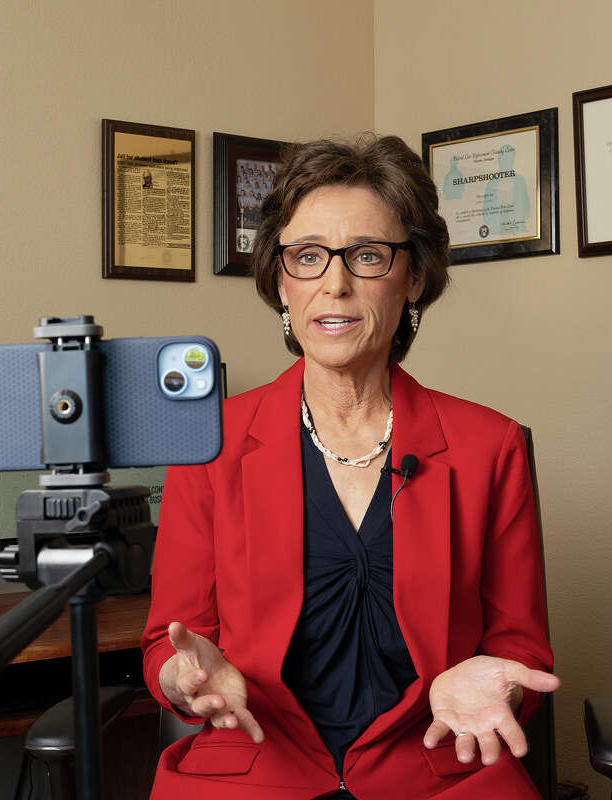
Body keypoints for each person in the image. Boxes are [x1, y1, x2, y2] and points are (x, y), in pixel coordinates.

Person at [142, 134, 557, 799]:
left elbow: (523, 651)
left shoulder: (490, 446)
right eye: (307, 257)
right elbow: (167, 643)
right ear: (281, 279)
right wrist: (182, 678)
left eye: (367, 256)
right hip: (256, 769)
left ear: (414, 276)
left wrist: (499, 679)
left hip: (432, 768)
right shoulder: (210, 442)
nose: (334, 284)